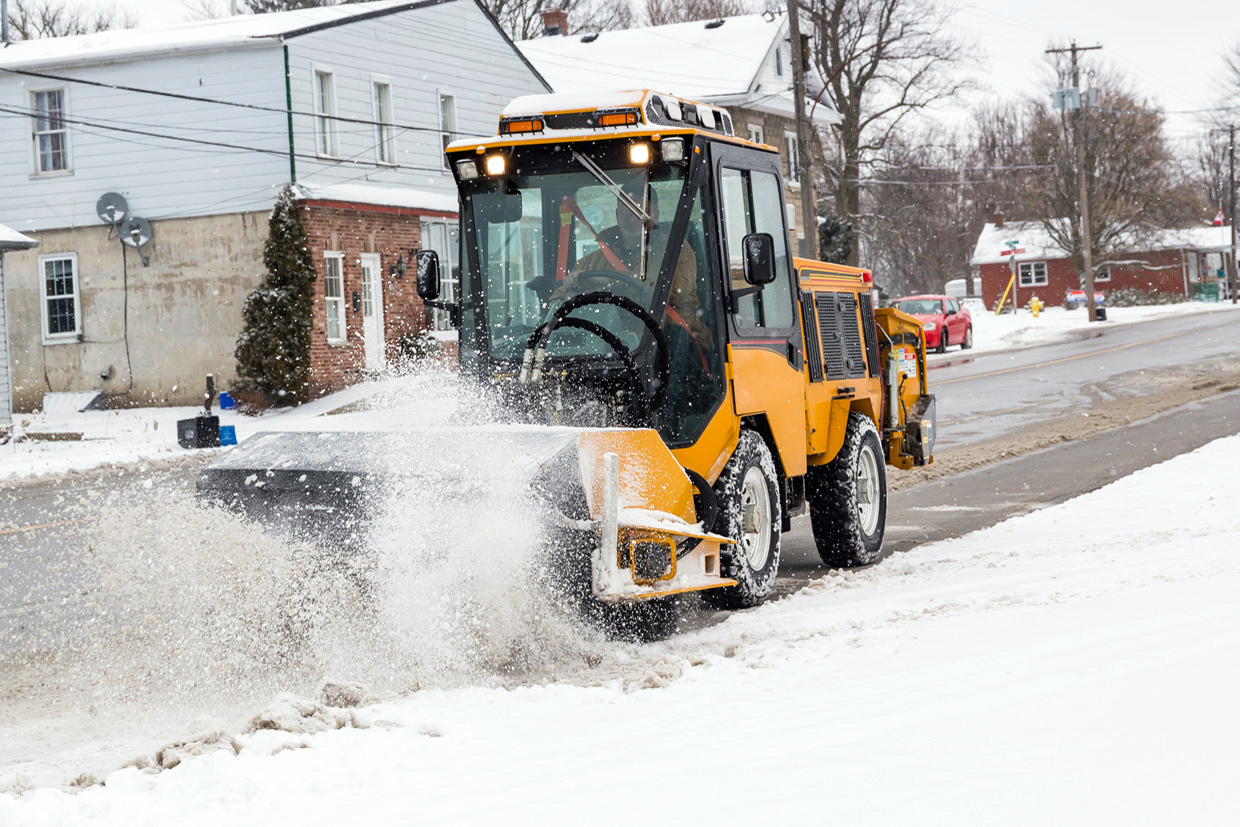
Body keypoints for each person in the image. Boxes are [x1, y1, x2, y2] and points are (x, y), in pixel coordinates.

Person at [551, 182, 712, 350]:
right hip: (608, 347)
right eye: (626, 210)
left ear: (655, 215)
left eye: (640, 209)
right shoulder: (594, 260)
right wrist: (568, 289)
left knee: (673, 340)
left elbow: (663, 290)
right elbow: (560, 299)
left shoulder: (675, 250)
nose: (632, 216)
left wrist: (606, 282)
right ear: (617, 215)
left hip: (669, 343)